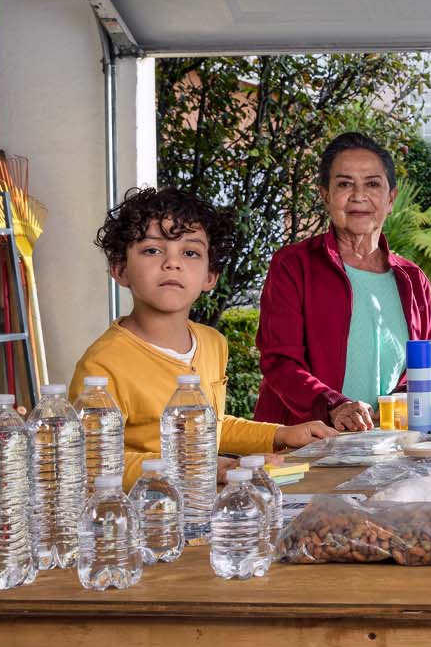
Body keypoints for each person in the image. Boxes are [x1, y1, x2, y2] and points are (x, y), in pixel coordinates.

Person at [70, 187, 336, 486]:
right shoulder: (103, 365)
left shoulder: (213, 344)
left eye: (190, 252)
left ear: (210, 276)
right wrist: (198, 467)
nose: (173, 263)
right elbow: (91, 463)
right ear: (120, 270)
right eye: (152, 250)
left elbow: (210, 426)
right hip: (144, 520)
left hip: (204, 511)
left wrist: (281, 434)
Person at [255, 132, 431, 431]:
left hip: (390, 445)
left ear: (390, 198)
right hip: (307, 447)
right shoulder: (293, 265)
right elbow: (280, 362)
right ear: (325, 195)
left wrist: (399, 408)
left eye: (372, 184)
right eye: (344, 184)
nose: (359, 196)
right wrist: (334, 405)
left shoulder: (412, 280)